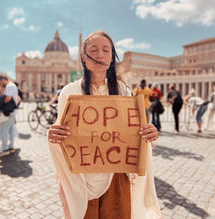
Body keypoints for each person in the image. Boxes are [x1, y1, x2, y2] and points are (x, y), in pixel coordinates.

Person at [47, 30, 161, 219]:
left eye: (106, 50)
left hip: (116, 175)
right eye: (94, 49)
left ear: (111, 57)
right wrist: (53, 134)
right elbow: (61, 134)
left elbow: (132, 132)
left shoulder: (123, 89)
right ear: (84, 57)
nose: (100, 54)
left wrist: (148, 132)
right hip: (81, 176)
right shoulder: (69, 91)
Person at [0, 76, 19, 157]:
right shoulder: (13, 85)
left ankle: (4, 148)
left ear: (3, 80)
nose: (0, 85)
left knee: (4, 129)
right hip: (13, 110)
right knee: (11, 129)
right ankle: (11, 146)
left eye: (0, 83)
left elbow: (8, 98)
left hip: (9, 111)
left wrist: (0, 104)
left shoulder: (9, 86)